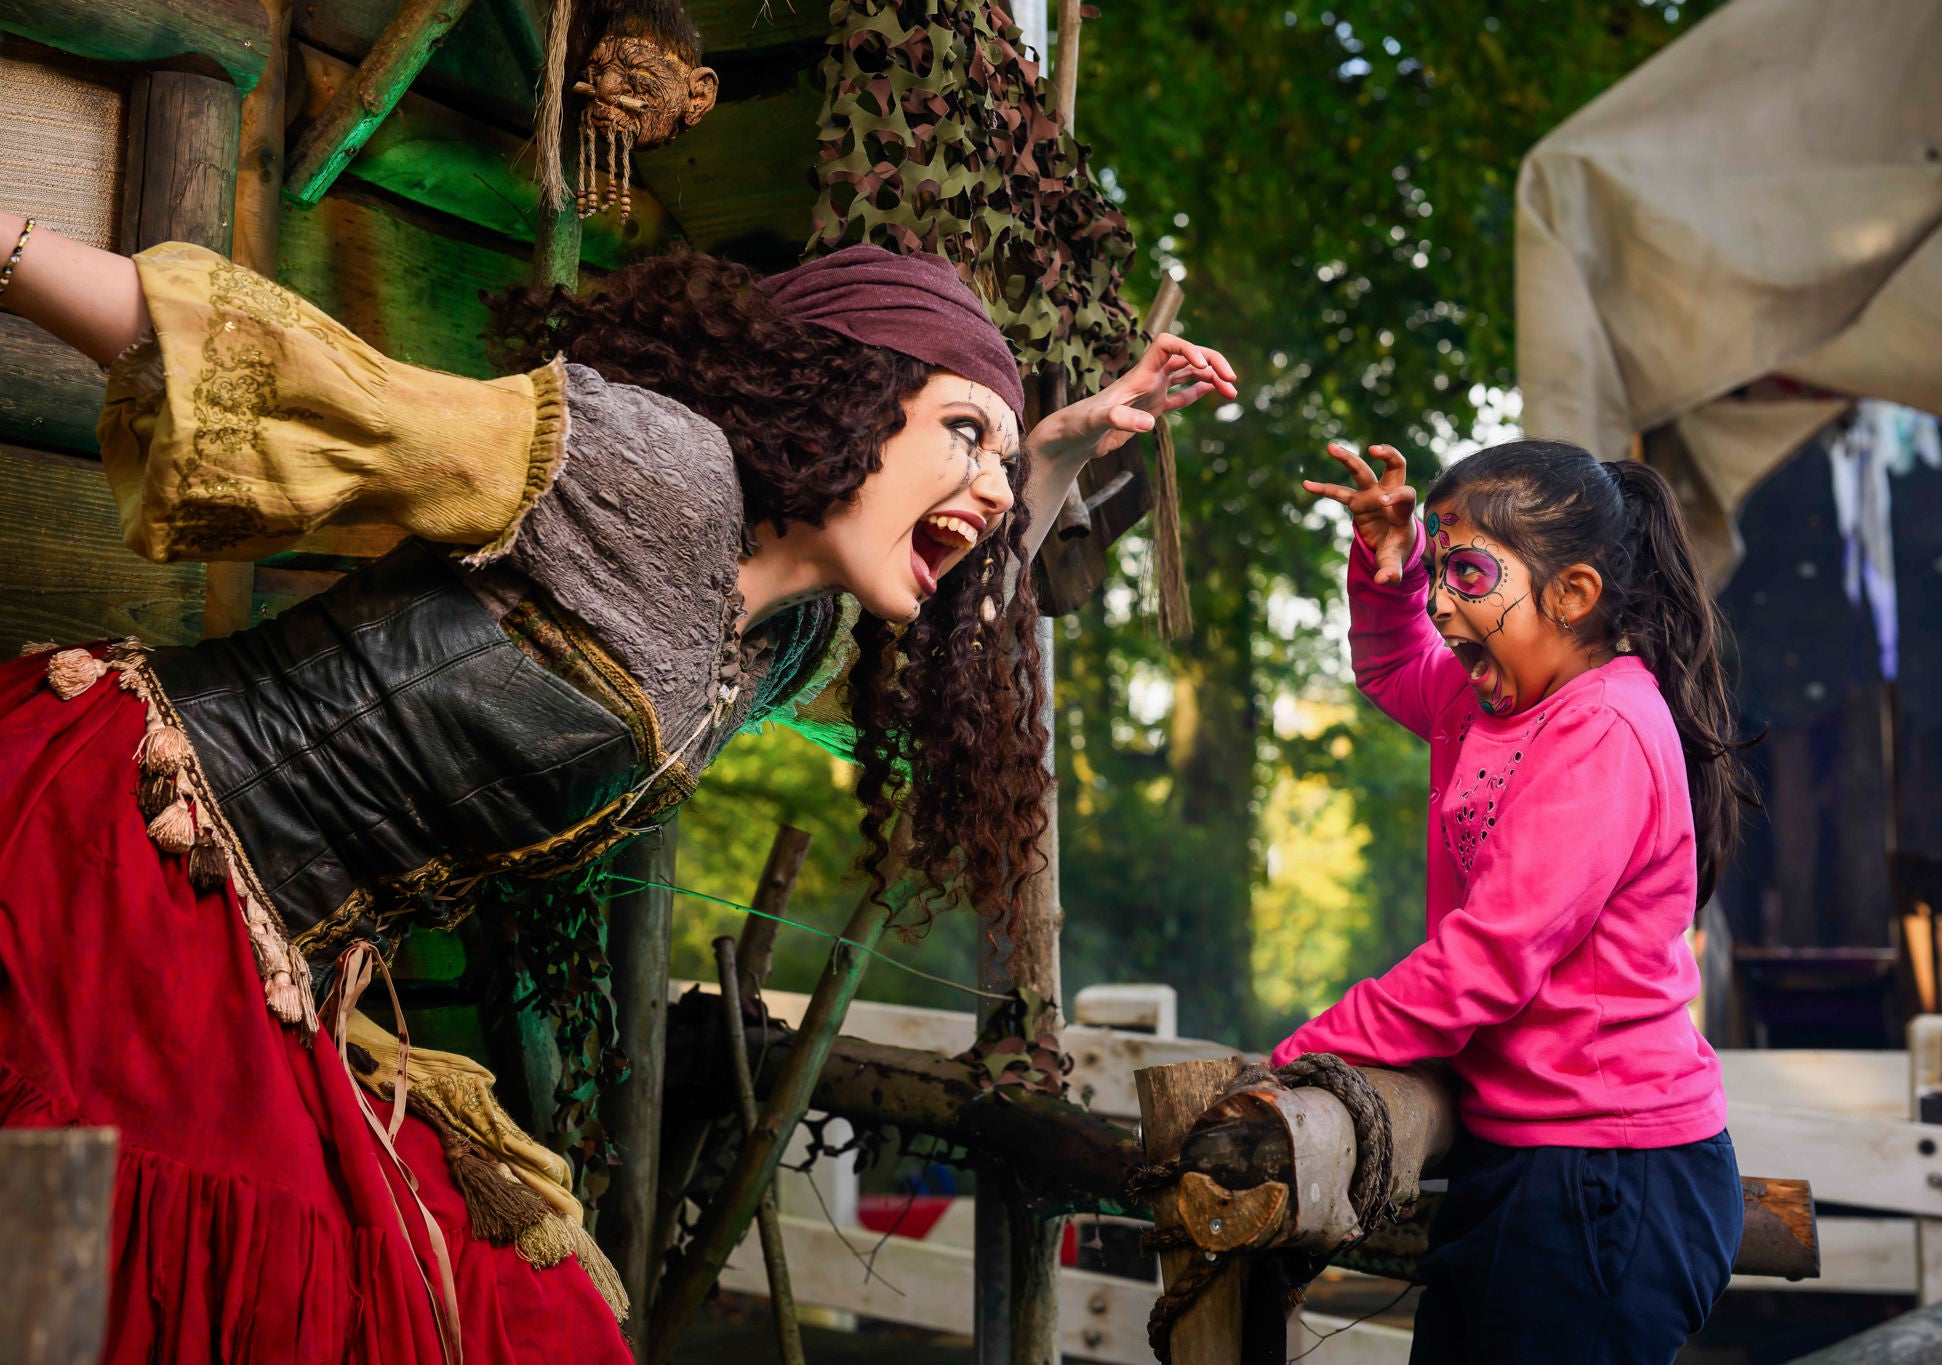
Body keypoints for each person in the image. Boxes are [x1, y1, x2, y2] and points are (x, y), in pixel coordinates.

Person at [0, 207, 1235, 1363]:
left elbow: (980, 578)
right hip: (117, 837)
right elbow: (313, 385)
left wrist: (1057, 447)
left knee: (520, 1313)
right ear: (849, 392)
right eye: (963, 434)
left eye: (996, 462)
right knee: (75, 1262)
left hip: (268, 956)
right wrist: (8, 247)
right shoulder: (645, 464)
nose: (982, 488)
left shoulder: (782, 636)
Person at [1277, 439, 1751, 1364]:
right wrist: (1391, 569)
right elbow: (1390, 666)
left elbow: (1486, 959)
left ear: (1571, 595)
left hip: (1605, 1173)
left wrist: (1302, 1053)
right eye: (1440, 570)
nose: (1443, 600)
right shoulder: (1484, 697)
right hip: (1533, 1154)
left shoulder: (1603, 728)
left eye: (1465, 571)